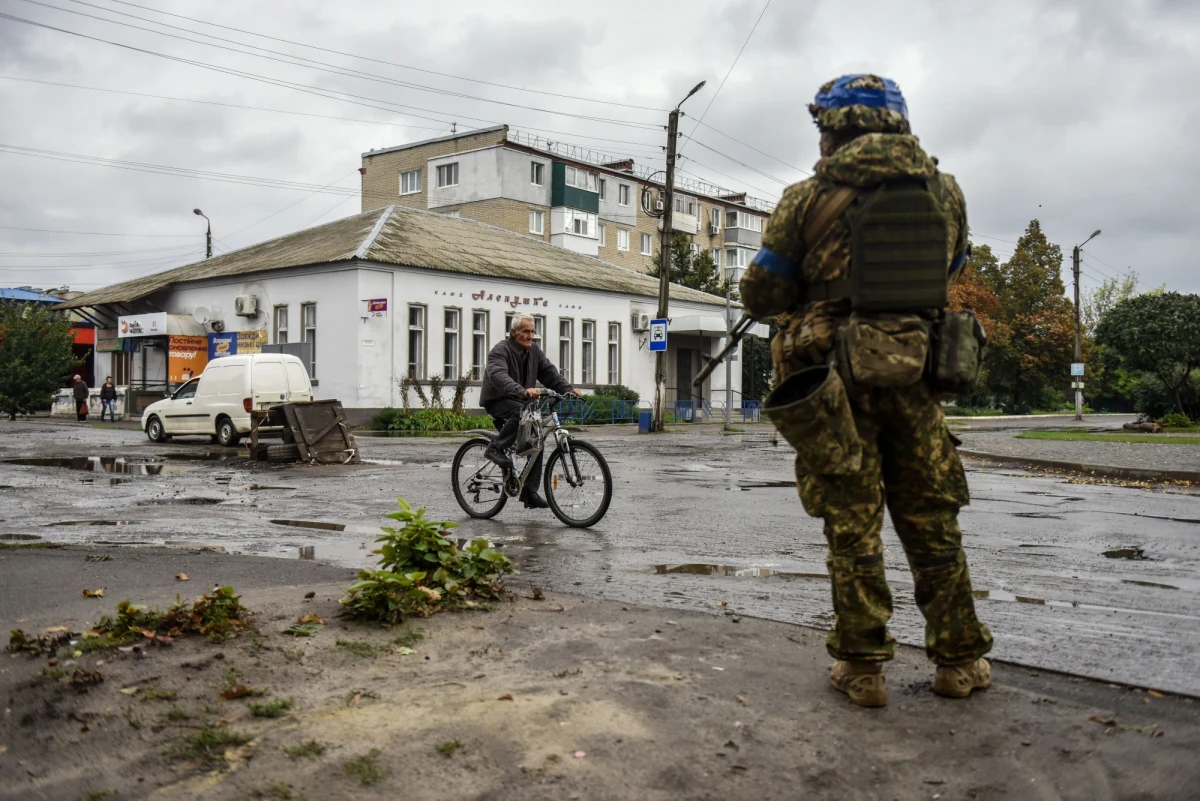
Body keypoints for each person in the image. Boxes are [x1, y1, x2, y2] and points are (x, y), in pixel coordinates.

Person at [740, 74, 992, 707]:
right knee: (934, 521)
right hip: (918, 377)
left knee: (852, 526)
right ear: (898, 125)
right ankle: (959, 662)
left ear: (831, 130)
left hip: (832, 383)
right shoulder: (946, 193)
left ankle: (863, 669)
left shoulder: (806, 199)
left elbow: (762, 293)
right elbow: (952, 268)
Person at [479, 314, 581, 509]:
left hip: (521, 400)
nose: (530, 335)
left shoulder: (534, 351)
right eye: (526, 331)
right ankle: (495, 448)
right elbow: (499, 375)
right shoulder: (500, 351)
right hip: (498, 400)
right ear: (514, 332)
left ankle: (529, 492)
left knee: (538, 439)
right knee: (524, 413)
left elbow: (550, 373)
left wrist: (568, 389)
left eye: (532, 331)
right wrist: (522, 390)